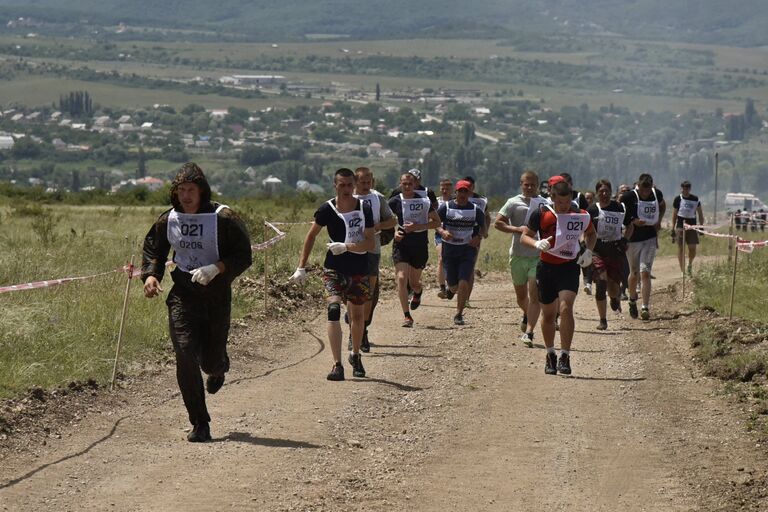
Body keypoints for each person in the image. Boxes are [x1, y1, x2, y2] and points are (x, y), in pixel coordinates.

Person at [141, 163, 253, 443]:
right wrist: (151, 277)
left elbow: (244, 254)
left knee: (211, 360)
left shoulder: (223, 217)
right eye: (181, 190)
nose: (186, 196)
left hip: (216, 295)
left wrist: (217, 268)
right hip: (183, 294)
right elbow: (154, 249)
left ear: (202, 191)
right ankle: (200, 422)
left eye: (191, 190)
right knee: (185, 353)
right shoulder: (168, 219)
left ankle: (218, 366)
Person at [291, 168, 375, 381]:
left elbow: (369, 241)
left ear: (354, 185)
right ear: (335, 186)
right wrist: (302, 266)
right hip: (333, 268)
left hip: (358, 267)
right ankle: (337, 364)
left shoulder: (364, 208)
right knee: (334, 309)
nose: (346, 189)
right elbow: (311, 236)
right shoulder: (326, 209)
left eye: (349, 185)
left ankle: (355, 355)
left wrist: (347, 246)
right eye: (342, 185)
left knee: (357, 315)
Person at [521, 176, 596, 375]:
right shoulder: (542, 213)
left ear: (571, 197)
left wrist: (588, 251)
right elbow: (524, 236)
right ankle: (550, 353)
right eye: (559, 202)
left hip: (569, 267)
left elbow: (591, 233)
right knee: (548, 314)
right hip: (546, 267)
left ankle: (565, 355)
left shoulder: (581, 215)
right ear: (552, 198)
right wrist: (536, 243)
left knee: (566, 308)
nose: (563, 207)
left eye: (566, 202)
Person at [495, 170, 545, 347]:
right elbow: (498, 223)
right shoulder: (513, 202)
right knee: (521, 296)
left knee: (534, 294)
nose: (529, 187)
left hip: (537, 256)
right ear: (521, 184)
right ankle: (527, 313)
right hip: (517, 255)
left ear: (538, 185)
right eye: (526, 184)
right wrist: (518, 230)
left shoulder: (545, 204)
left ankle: (529, 332)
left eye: (533, 184)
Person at [352, 166, 397, 351]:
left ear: (373, 181)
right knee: (353, 292)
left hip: (372, 251)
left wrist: (378, 225)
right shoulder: (348, 199)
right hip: (351, 251)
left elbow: (393, 220)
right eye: (362, 182)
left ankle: (363, 330)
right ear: (355, 182)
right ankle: (355, 331)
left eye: (368, 182)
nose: (365, 185)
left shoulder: (377, 198)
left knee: (368, 293)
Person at [388, 172, 441, 327]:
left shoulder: (424, 201)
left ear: (415, 185)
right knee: (402, 278)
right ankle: (407, 316)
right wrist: (394, 233)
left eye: (410, 184)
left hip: (419, 244)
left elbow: (436, 222)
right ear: (400, 184)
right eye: (404, 184)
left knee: (414, 282)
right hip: (402, 244)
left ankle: (417, 292)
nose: (407, 187)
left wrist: (418, 226)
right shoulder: (394, 201)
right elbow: (383, 220)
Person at [436, 180, 485, 326]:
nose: (463, 194)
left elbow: (484, 227)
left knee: (464, 280)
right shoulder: (446, 207)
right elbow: (434, 222)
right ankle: (451, 290)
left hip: (467, 250)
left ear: (469, 193)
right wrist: (442, 231)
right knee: (453, 285)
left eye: (466, 192)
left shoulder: (475, 209)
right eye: (460, 191)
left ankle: (458, 314)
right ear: (455, 192)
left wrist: (478, 237)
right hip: (449, 250)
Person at [620, 173, 666, 320]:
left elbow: (663, 205)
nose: (645, 193)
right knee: (634, 273)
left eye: (648, 190)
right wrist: (633, 220)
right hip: (633, 239)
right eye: (643, 190)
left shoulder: (656, 194)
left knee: (645, 272)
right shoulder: (628, 197)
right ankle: (632, 300)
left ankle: (645, 306)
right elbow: (621, 213)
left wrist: (659, 220)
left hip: (649, 238)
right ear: (638, 186)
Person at [587, 180, 627, 330]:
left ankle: (615, 298)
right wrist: (586, 248)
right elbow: (585, 231)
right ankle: (603, 319)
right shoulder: (591, 210)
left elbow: (629, 226)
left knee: (613, 287)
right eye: (601, 192)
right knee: (601, 282)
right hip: (597, 251)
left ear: (611, 192)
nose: (604, 194)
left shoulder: (619, 208)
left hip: (615, 251)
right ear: (597, 193)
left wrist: (625, 239)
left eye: (607, 191)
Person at [462, 176, 492, 305]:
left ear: (473, 187)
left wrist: (483, 232)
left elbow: (487, 217)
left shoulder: (481, 200)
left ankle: (466, 299)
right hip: (456, 233)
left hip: (474, 235)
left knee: (470, 266)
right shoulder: (455, 199)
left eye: (469, 187)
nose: (466, 190)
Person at [671, 180, 705, 276]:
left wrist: (701, 227)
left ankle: (689, 264)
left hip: (692, 226)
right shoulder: (678, 199)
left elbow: (700, 214)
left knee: (692, 249)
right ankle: (682, 271)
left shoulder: (695, 199)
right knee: (681, 248)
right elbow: (674, 214)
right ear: (681, 188)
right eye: (683, 188)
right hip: (680, 226)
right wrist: (672, 228)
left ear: (690, 189)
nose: (685, 190)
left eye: (687, 188)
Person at [435, 178, 454, 299]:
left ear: (451, 189)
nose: (444, 190)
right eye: (442, 188)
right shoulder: (436, 202)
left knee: (452, 260)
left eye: (447, 188)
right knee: (442, 258)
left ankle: (451, 286)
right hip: (439, 234)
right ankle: (442, 287)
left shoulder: (455, 202)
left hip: (455, 234)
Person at [616, 184, 631, 301]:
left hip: (627, 239)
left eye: (627, 191)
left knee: (626, 267)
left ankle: (623, 290)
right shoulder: (611, 205)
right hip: (611, 240)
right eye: (622, 191)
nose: (625, 193)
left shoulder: (632, 207)